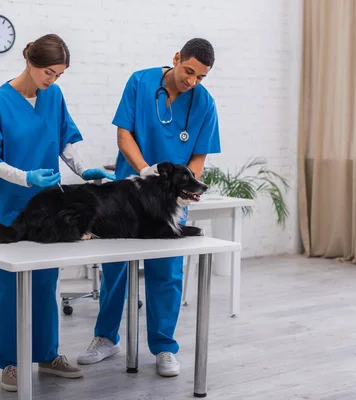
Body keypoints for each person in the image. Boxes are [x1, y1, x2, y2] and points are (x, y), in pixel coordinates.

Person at [0, 33, 116, 392]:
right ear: (30, 62)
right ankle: (11, 362)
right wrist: (26, 178)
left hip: (49, 211)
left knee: (46, 283)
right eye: (49, 72)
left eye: (59, 75)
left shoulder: (53, 96)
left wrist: (84, 170)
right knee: (7, 289)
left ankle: (47, 355)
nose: (52, 80)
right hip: (9, 210)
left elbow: (64, 140)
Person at [77, 38, 221, 377]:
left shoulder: (204, 103)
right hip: (129, 194)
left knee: (167, 271)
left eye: (200, 77)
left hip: (171, 198)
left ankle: (164, 347)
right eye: (188, 72)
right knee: (116, 269)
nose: (191, 82)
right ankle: (105, 338)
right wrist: (144, 169)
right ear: (176, 59)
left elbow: (199, 155)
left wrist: (182, 189)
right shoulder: (140, 83)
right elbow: (124, 134)